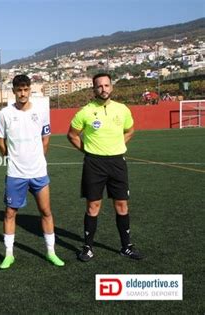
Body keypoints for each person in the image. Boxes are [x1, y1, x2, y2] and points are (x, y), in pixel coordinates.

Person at [67, 72, 144, 262]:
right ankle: (88, 247)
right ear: (94, 89)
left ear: (112, 87)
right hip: (94, 164)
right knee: (93, 206)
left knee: (121, 204)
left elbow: (130, 130)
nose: (104, 89)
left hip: (117, 163)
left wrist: (120, 145)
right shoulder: (85, 111)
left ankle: (126, 246)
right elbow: (72, 135)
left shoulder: (122, 109)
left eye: (107, 85)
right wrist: (87, 150)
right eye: (99, 86)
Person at [0, 74, 65, 269]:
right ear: (14, 91)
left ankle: (51, 252)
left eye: (26, 89)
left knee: (46, 211)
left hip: (38, 172)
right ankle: (8, 255)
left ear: (29, 90)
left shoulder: (41, 111)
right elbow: (0, 139)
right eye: (19, 90)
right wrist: (9, 156)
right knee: (10, 213)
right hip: (15, 173)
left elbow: (46, 137)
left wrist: (39, 158)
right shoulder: (5, 114)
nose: (23, 93)